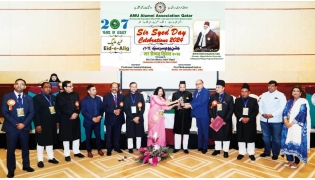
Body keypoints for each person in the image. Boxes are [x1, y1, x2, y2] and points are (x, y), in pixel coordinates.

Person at [1, 78, 35, 178]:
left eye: (22, 84)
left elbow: (31, 112)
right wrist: (16, 124)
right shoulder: (7, 97)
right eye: (17, 84)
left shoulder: (29, 98)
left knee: (25, 147)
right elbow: (5, 112)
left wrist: (23, 124)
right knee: (11, 149)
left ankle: (26, 165)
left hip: (24, 127)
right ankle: (11, 170)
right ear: (14, 86)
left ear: (25, 86)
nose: (19, 86)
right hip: (12, 127)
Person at [281, 85, 311, 168]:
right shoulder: (289, 102)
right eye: (294, 91)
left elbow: (302, 114)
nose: (295, 92)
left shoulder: (303, 101)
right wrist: (286, 122)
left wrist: (291, 123)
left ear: (300, 93)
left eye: (297, 91)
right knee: (287, 142)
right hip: (287, 126)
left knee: (296, 143)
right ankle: (290, 160)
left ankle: (296, 162)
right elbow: (285, 112)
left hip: (297, 126)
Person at [56, 80, 84, 161]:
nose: (72, 87)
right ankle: (67, 154)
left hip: (75, 118)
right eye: (70, 86)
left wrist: (76, 113)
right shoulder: (60, 96)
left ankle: (76, 151)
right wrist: (71, 114)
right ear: (65, 88)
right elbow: (61, 107)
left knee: (76, 135)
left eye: (72, 86)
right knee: (66, 136)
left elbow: (78, 105)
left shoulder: (75, 94)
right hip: (65, 118)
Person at [33, 82, 59, 168]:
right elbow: (35, 113)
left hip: (52, 123)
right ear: (42, 89)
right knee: (41, 142)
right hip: (42, 124)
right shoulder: (36, 98)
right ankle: (40, 160)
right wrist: (38, 124)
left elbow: (56, 111)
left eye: (49, 87)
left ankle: (50, 157)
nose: (48, 88)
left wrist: (57, 122)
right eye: (45, 87)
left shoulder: (54, 98)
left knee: (50, 140)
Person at [259, 80, 286, 160]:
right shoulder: (263, 95)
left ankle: (275, 153)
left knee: (276, 138)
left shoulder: (281, 95)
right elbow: (260, 106)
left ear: (276, 87)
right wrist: (263, 113)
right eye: (269, 86)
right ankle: (267, 152)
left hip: (276, 120)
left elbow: (282, 107)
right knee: (265, 137)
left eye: (272, 86)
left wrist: (272, 114)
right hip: (264, 119)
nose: (270, 87)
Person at [233, 83, 259, 161]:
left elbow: (256, 111)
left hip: (250, 122)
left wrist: (249, 118)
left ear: (249, 92)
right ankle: (241, 153)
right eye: (242, 91)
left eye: (245, 91)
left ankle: (251, 153)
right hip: (241, 122)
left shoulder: (253, 100)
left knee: (250, 138)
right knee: (241, 137)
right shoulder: (237, 100)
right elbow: (235, 110)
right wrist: (241, 118)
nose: (244, 93)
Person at [183, 79, 209, 154]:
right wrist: (186, 104)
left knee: (205, 132)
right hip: (198, 114)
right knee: (199, 131)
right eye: (196, 84)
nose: (198, 85)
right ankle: (200, 146)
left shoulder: (206, 92)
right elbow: (194, 101)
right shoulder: (196, 91)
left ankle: (205, 147)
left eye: (199, 84)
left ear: (203, 84)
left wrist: (190, 105)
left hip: (204, 115)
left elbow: (202, 102)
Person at [209, 80, 234, 158]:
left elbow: (231, 110)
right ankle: (217, 149)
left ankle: (225, 151)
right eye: (216, 87)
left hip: (225, 120)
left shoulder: (229, 97)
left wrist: (225, 120)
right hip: (216, 119)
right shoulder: (213, 96)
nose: (217, 88)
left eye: (219, 87)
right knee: (216, 135)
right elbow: (209, 108)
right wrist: (212, 117)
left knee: (226, 135)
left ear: (223, 88)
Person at [81, 84, 104, 158]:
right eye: (93, 90)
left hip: (98, 121)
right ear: (89, 91)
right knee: (88, 137)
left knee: (98, 136)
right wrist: (92, 118)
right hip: (89, 122)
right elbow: (83, 111)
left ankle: (99, 149)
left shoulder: (99, 99)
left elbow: (102, 109)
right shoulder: (84, 100)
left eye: (95, 89)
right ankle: (89, 151)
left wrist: (100, 116)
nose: (95, 91)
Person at [103, 82, 125, 156]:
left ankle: (117, 147)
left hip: (119, 118)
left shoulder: (122, 96)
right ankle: (109, 149)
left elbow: (124, 106)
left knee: (117, 134)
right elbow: (105, 107)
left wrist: (120, 110)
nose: (114, 88)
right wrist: (114, 111)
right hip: (110, 118)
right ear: (110, 88)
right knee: (109, 135)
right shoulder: (106, 96)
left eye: (116, 87)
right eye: (113, 87)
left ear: (118, 89)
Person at [123, 82, 145, 153]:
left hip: (139, 117)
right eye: (132, 86)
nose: (134, 88)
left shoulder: (140, 96)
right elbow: (125, 109)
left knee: (139, 132)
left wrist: (138, 117)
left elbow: (143, 108)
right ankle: (130, 147)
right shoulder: (126, 97)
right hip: (130, 118)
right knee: (130, 133)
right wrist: (133, 118)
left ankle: (138, 147)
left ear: (136, 87)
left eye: (135, 87)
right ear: (130, 87)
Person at [172, 81, 193, 154]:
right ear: (178, 87)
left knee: (186, 132)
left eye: (184, 87)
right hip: (178, 115)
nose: (182, 88)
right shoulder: (175, 94)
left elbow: (191, 104)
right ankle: (177, 147)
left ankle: (185, 148)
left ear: (185, 87)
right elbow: (173, 105)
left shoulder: (189, 94)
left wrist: (187, 106)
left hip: (187, 115)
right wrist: (177, 107)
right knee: (177, 132)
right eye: (181, 87)